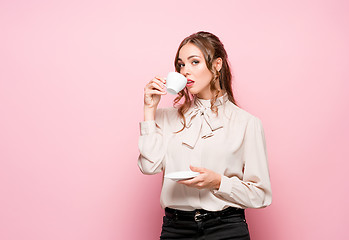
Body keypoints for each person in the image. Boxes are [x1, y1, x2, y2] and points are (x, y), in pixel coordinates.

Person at [138, 31, 272, 240]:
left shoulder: (247, 123)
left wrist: (218, 182)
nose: (185, 71)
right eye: (181, 65)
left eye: (194, 62)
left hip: (227, 229)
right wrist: (149, 111)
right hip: (176, 229)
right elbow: (148, 167)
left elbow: (261, 195)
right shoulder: (165, 117)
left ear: (217, 65)